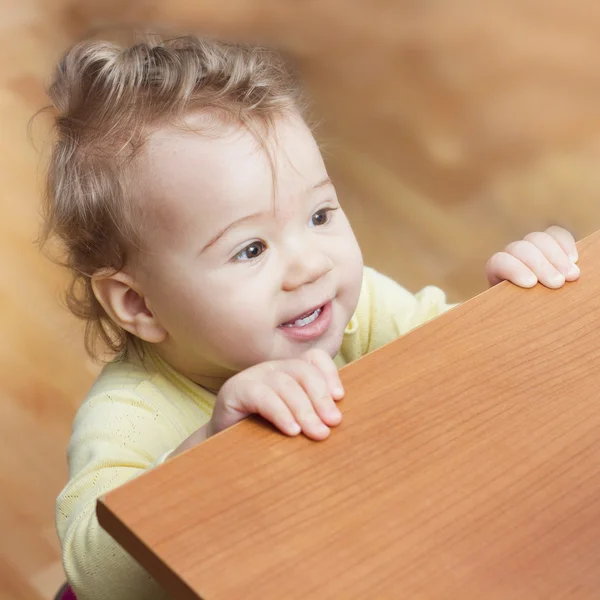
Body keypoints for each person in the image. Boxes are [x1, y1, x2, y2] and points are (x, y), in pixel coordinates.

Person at [42, 34, 580, 600]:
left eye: (320, 214)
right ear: (140, 305)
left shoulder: (350, 310)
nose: (309, 265)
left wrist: (505, 313)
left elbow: (452, 369)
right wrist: (210, 449)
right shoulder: (130, 413)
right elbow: (94, 572)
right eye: (250, 249)